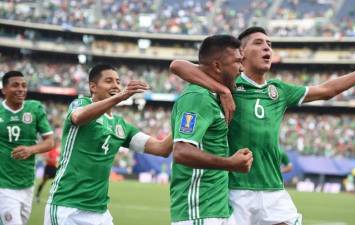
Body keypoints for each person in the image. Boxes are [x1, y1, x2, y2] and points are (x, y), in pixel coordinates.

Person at [170, 27, 355, 225]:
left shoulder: (278, 91)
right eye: (258, 43)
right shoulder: (228, 82)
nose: (267, 48)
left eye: (270, 44)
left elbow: (327, 90)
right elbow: (179, 66)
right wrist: (222, 90)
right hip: (234, 189)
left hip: (273, 189)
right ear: (242, 53)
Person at [45, 64, 173, 225]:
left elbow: (161, 148)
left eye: (118, 82)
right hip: (68, 207)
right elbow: (78, 117)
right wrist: (120, 97)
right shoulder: (80, 104)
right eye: (109, 81)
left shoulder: (122, 127)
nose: (116, 85)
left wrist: (185, 122)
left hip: (99, 212)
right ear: (93, 86)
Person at [170, 35, 253, 225]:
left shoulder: (214, 95)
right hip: (199, 212)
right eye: (237, 62)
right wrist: (230, 163)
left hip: (217, 209)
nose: (242, 68)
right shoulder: (197, 98)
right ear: (217, 66)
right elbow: (181, 152)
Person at [0, 71, 54, 225]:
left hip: (27, 185)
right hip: (4, 186)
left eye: (24, 85)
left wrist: (31, 149)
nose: (21, 89)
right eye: (15, 85)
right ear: (4, 89)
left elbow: (50, 142)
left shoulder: (34, 109)